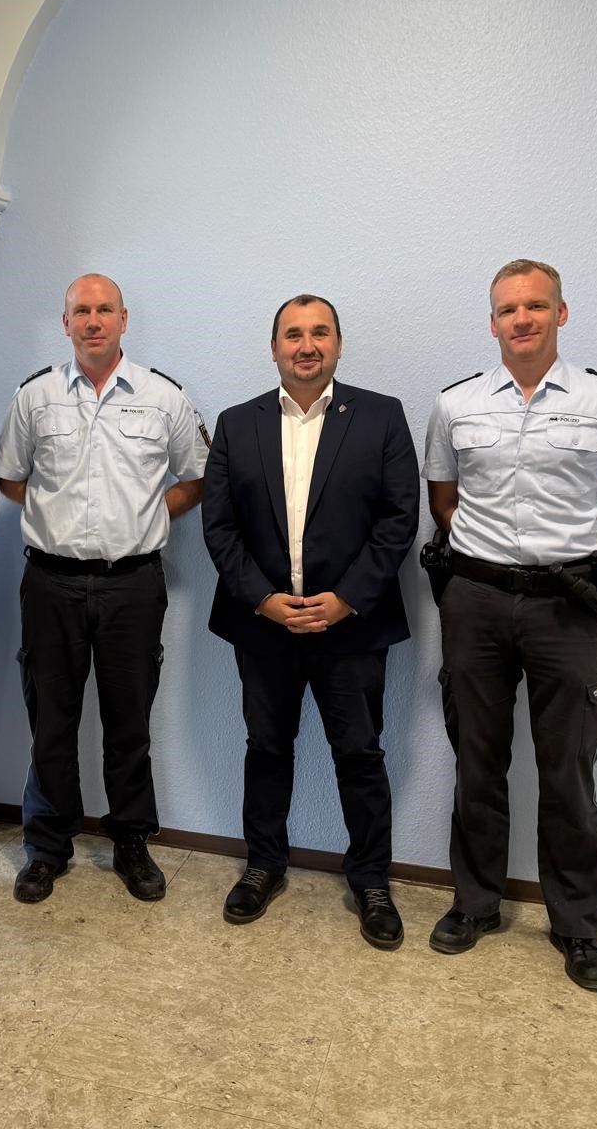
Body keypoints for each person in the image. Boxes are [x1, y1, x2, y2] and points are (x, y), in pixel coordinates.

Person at [423, 259, 597, 992]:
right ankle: (476, 904)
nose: (522, 319)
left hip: (566, 604)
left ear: (561, 313)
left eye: (536, 306)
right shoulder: (455, 404)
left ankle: (577, 926)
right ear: (491, 322)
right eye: (508, 309)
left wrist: (564, 562)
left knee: (569, 766)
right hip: (476, 600)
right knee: (476, 760)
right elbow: (444, 502)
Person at [201, 294, 419, 946]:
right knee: (267, 749)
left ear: (339, 345)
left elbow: (399, 519)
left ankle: (371, 879)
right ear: (274, 348)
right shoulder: (236, 424)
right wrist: (262, 598)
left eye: (319, 332)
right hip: (263, 625)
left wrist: (347, 597)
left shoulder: (381, 417)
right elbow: (219, 526)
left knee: (360, 754)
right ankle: (263, 865)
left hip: (351, 626)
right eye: (293, 334)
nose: (306, 345)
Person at [0, 273, 209, 904]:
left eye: (105, 310)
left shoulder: (163, 397)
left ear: (123, 319)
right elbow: (9, 477)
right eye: (81, 311)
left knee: (129, 722)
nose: (93, 321)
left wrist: (147, 515)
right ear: (65, 323)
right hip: (51, 582)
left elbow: (197, 477)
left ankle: (132, 842)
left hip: (132, 585)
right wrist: (55, 514)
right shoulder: (35, 396)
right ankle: (47, 847)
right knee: (50, 722)